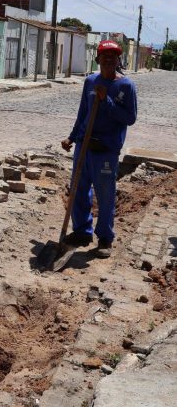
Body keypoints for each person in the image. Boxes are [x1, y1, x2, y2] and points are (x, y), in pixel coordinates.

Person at [61, 39, 137, 258]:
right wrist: (72, 137)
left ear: (118, 60)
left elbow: (130, 118)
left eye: (113, 55)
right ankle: (82, 232)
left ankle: (105, 237)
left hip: (107, 149)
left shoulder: (126, 86)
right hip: (84, 145)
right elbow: (83, 112)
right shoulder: (90, 81)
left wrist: (107, 102)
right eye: (104, 55)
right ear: (98, 59)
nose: (108, 59)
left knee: (105, 195)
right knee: (78, 190)